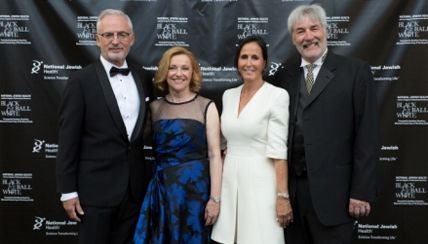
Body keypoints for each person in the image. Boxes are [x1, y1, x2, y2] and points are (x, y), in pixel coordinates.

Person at [267, 4, 379, 244]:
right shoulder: (283, 74)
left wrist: (360, 192)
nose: (308, 37)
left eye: (314, 28)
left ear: (325, 31)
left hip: (335, 198)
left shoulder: (355, 72)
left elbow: (367, 136)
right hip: (293, 200)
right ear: (293, 38)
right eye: (300, 31)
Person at [56, 9, 153, 244]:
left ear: (132, 38)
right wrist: (68, 192)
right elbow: (68, 141)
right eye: (108, 34)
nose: (115, 40)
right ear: (97, 39)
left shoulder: (142, 77)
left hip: (133, 192)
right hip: (94, 193)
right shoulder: (81, 81)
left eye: (122, 34)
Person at [133, 46, 223, 244]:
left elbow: (215, 155)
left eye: (185, 68)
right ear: (165, 72)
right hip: (162, 191)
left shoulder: (206, 106)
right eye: (173, 68)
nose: (178, 74)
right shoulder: (154, 108)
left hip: (196, 193)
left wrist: (215, 199)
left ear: (193, 73)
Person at [211, 35, 292, 244]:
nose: (248, 63)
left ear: (264, 63)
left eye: (255, 57)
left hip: (261, 184)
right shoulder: (228, 95)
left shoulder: (277, 95)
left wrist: (282, 196)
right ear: (237, 62)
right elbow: (226, 140)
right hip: (229, 182)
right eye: (244, 57)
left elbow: (278, 151)